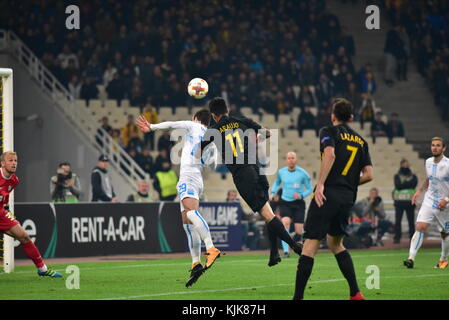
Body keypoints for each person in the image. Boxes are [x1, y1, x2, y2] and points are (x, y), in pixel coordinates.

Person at [200, 97, 302, 268]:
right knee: (267, 211)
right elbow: (267, 133)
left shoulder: (214, 129)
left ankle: (294, 245)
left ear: (214, 115)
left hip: (242, 175)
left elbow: (199, 147)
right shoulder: (242, 120)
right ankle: (274, 253)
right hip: (257, 169)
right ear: (228, 110)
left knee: (267, 214)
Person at [293, 98, 373, 300]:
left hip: (328, 193)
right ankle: (355, 292)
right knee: (336, 243)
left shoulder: (329, 131)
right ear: (352, 118)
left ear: (333, 116)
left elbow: (330, 154)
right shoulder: (361, 141)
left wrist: (320, 184)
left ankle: (298, 297)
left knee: (311, 242)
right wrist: (349, 184)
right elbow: (369, 174)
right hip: (347, 196)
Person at [136, 109, 220, 287]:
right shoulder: (210, 137)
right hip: (198, 178)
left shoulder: (193, 125)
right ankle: (195, 263)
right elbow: (212, 164)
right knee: (187, 222)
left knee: (190, 213)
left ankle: (211, 247)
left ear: (196, 118)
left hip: (188, 175)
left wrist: (151, 127)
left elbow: (172, 125)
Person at [0, 151, 62, 277]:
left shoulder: (14, 180)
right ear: (2, 163)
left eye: (15, 161)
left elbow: (4, 198)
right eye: (10, 160)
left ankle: (42, 269)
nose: (14, 163)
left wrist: (7, 210)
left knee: (24, 236)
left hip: (1, 213)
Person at [404, 137, 449, 269]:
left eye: (438, 145)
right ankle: (410, 258)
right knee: (420, 226)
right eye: (433, 145)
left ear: (443, 148)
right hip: (429, 200)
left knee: (445, 233)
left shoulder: (447, 164)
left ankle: (443, 260)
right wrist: (419, 191)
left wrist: (446, 200)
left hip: (445, 205)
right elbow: (429, 179)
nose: (435, 147)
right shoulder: (428, 162)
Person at [270, 152, 312, 257]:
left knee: (299, 230)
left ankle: (298, 246)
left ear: (296, 159)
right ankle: (286, 251)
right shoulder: (281, 172)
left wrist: (302, 195)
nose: (290, 160)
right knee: (285, 223)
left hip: (298, 204)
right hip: (285, 203)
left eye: (292, 158)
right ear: (286, 160)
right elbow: (276, 182)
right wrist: (273, 192)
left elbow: (310, 188)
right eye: (288, 158)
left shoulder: (303, 173)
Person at [393, 159, 417, 244]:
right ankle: (397, 238)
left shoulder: (413, 176)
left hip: (410, 202)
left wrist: (403, 184)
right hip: (399, 203)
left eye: (407, 164)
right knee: (397, 221)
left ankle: (412, 238)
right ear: (401, 165)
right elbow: (398, 186)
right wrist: (407, 184)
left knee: (411, 221)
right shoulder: (397, 176)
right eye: (404, 164)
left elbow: (413, 185)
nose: (406, 165)